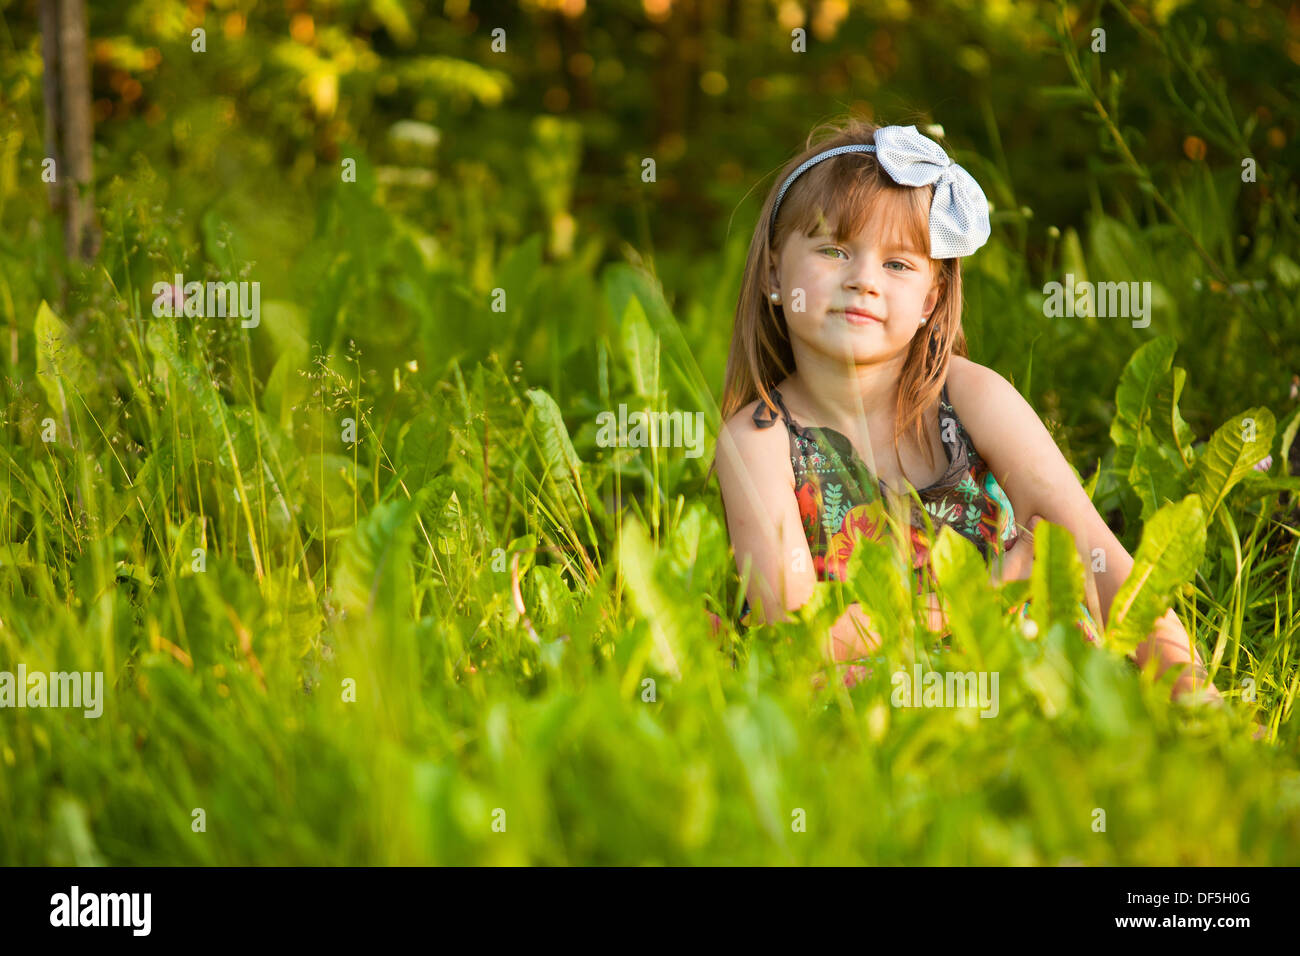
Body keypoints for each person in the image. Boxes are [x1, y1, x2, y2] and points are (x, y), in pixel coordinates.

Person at [711, 117, 1219, 704]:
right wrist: (991, 585)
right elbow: (796, 637)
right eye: (833, 250)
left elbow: (1096, 553)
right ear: (774, 272)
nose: (863, 281)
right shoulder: (758, 438)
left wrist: (1198, 699)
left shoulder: (969, 395)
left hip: (1027, 667)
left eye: (898, 264)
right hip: (874, 702)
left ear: (930, 299)